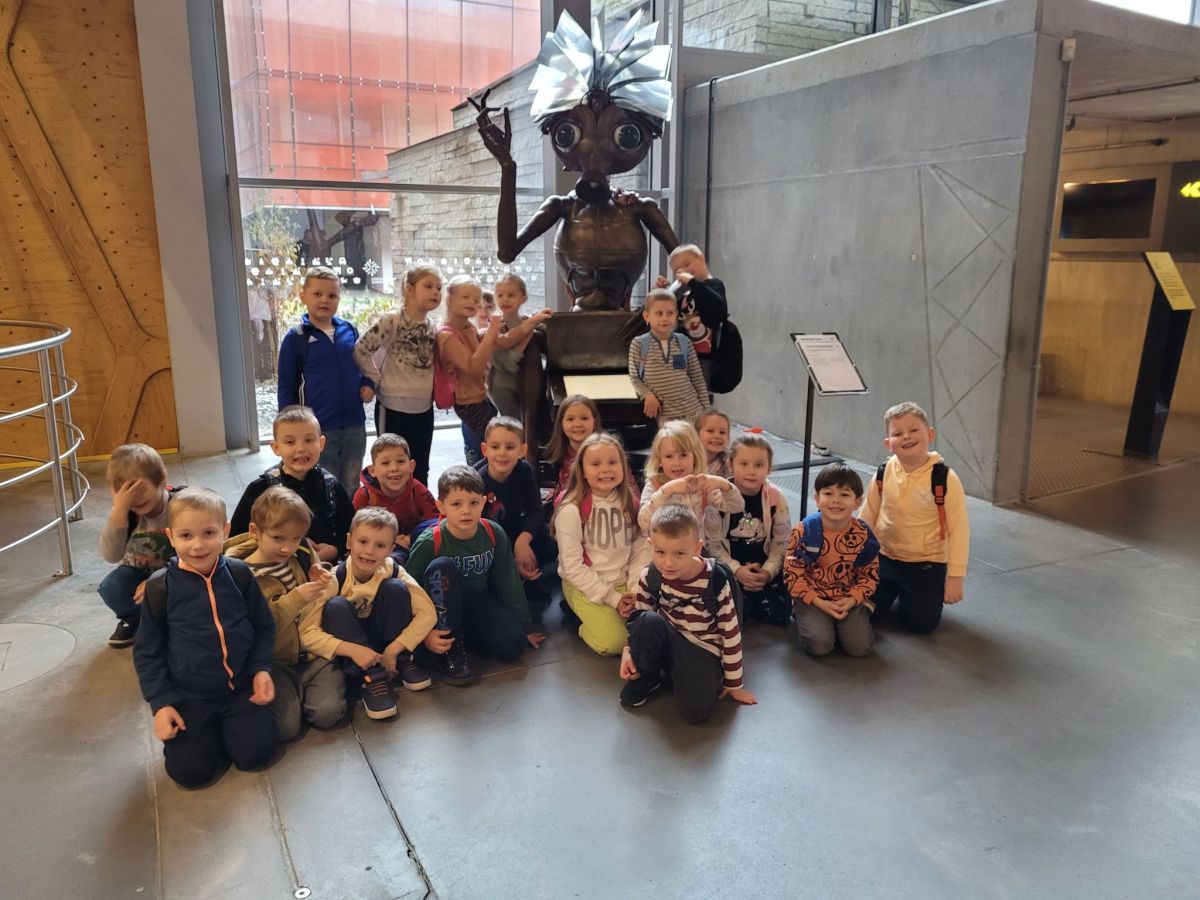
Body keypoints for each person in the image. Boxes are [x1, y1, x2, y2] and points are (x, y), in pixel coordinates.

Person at [133, 488, 278, 788]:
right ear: (171, 537)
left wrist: (261, 668)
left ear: (225, 531)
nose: (198, 545)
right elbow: (147, 652)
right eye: (186, 536)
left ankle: (225, 732)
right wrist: (162, 703)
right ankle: (208, 735)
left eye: (209, 533)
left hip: (240, 688)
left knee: (257, 755)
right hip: (189, 694)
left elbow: (263, 626)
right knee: (191, 773)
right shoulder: (161, 588)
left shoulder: (239, 574)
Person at [404, 465, 546, 685]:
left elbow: (508, 581)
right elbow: (409, 588)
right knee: (443, 566)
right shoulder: (430, 541)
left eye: (473, 503)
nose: (466, 511)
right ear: (441, 506)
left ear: (483, 502)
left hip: (478, 600)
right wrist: (424, 632)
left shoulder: (493, 532)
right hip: (440, 610)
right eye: (456, 504)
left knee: (513, 646)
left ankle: (464, 638)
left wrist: (525, 626)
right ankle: (450, 650)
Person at [223, 487, 343, 739]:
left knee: (327, 714)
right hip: (275, 662)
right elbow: (254, 628)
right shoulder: (241, 575)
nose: (287, 547)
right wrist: (294, 600)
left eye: (296, 538)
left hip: (315, 655)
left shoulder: (301, 552)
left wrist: (319, 571)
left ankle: (309, 693)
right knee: (286, 729)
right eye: (278, 538)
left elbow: (320, 576)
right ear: (254, 531)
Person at [618, 506, 756, 723]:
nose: (668, 563)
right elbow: (639, 619)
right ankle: (649, 676)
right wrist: (630, 650)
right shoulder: (651, 575)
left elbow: (730, 632)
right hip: (668, 640)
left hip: (702, 650)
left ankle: (684, 677)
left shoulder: (715, 580)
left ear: (697, 549)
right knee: (645, 619)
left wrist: (733, 682)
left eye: (680, 553)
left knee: (695, 713)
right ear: (651, 545)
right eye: (660, 552)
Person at [299, 508, 438, 721]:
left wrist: (395, 648)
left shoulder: (393, 570)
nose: (370, 551)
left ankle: (400, 661)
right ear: (349, 541)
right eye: (363, 542)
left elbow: (427, 613)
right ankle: (371, 678)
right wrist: (353, 650)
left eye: (380, 545)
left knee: (395, 588)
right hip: (353, 651)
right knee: (335, 606)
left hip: (386, 644)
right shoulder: (334, 579)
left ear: (391, 549)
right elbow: (307, 633)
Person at [859, 402, 970, 634]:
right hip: (884, 559)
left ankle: (916, 597)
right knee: (867, 611)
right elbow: (868, 514)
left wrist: (955, 577)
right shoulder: (883, 472)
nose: (906, 436)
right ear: (888, 443)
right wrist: (857, 555)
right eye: (898, 433)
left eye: (913, 430)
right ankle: (893, 591)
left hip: (925, 565)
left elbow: (959, 530)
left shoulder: (945, 479)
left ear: (930, 434)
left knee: (921, 625)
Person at [277, 266, 374, 497]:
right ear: (303, 296)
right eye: (318, 294)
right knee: (324, 483)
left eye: (332, 295)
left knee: (351, 482)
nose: (325, 300)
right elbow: (286, 384)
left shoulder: (349, 330)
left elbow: (364, 364)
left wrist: (368, 383)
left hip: (354, 423)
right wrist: (288, 426)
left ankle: (349, 519)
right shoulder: (296, 338)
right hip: (320, 427)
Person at [553, 432, 649, 656]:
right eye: (596, 464)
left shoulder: (630, 502)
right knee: (616, 643)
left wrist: (635, 590)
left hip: (624, 582)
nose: (606, 469)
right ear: (582, 471)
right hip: (584, 585)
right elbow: (572, 566)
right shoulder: (571, 509)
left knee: (653, 628)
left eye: (613, 462)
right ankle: (579, 621)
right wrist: (613, 598)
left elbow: (641, 549)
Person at [353, 265, 442, 486]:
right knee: (390, 469)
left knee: (420, 468)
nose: (436, 292)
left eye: (439, 288)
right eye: (428, 286)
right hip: (393, 408)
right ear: (409, 289)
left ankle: (419, 508)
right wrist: (377, 380)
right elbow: (361, 350)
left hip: (424, 409)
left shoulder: (433, 326)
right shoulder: (391, 320)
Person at [231, 405, 354, 563]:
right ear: (276, 448)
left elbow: (351, 529)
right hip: (277, 568)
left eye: (309, 440)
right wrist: (290, 545)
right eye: (290, 442)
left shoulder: (332, 485)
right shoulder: (260, 489)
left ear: (321, 443)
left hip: (325, 566)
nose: (301, 448)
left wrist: (336, 549)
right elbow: (238, 538)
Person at [784, 464, 880, 656]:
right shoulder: (803, 532)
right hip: (813, 597)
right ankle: (801, 611)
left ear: (858, 502)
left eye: (844, 494)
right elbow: (792, 575)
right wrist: (818, 602)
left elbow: (869, 576)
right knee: (820, 646)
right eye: (828, 493)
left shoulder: (863, 535)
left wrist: (853, 599)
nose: (836, 500)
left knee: (860, 648)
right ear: (817, 499)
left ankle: (860, 610)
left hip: (847, 597)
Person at [96, 444, 177, 648]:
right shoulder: (126, 514)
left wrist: (160, 579)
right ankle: (136, 619)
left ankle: (174, 621)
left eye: (139, 489)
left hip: (178, 575)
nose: (136, 498)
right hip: (138, 576)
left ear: (162, 480)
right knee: (112, 586)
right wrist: (119, 511)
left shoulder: (179, 508)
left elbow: (199, 556)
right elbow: (111, 555)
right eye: (127, 492)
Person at [710, 434, 793, 627]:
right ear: (731, 465)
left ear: (769, 468)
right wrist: (737, 570)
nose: (751, 471)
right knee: (737, 617)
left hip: (763, 566)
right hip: (730, 568)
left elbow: (782, 541)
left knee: (779, 615)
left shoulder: (776, 499)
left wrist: (768, 571)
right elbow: (712, 543)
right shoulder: (717, 498)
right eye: (744, 464)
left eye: (759, 465)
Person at [474, 416, 557, 603]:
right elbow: (476, 531)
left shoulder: (524, 470)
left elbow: (535, 510)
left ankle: (527, 576)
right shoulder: (477, 482)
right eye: (495, 447)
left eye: (510, 447)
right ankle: (514, 578)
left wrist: (523, 541)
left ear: (522, 450)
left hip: (514, 530)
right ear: (484, 450)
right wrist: (508, 559)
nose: (502, 453)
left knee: (548, 540)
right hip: (488, 541)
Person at [636, 420, 742, 540]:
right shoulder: (654, 485)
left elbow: (736, 507)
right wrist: (665, 491)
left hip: (694, 548)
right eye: (669, 456)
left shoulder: (701, 484)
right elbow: (643, 522)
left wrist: (725, 485)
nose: (676, 463)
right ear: (659, 460)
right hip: (663, 549)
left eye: (683, 455)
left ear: (695, 456)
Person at [436, 274, 501, 467]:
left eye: (476, 299)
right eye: (466, 297)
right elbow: (473, 368)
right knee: (484, 452)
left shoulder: (468, 327)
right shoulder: (446, 336)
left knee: (484, 447)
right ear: (450, 299)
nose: (473, 303)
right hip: (467, 401)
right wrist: (490, 334)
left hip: (482, 395)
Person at [352, 433, 438, 564]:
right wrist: (390, 541)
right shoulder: (364, 496)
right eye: (385, 463)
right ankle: (393, 566)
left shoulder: (417, 490)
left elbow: (436, 520)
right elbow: (357, 533)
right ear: (373, 470)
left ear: (411, 466)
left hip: (414, 543)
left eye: (401, 461)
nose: (394, 468)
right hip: (379, 548)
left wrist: (410, 538)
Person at [629, 288, 709, 424]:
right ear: (647, 316)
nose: (665, 318)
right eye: (659, 313)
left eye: (670, 313)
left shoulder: (685, 342)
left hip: (693, 412)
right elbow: (634, 378)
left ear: (676, 314)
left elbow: (697, 379)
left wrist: (706, 412)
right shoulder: (639, 344)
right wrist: (647, 395)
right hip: (665, 416)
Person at [655, 243, 727, 386]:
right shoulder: (684, 293)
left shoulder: (714, 285)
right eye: (678, 271)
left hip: (703, 355)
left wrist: (693, 282)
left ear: (701, 257)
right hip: (680, 352)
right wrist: (660, 292)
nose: (684, 271)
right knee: (676, 386)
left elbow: (718, 305)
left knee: (698, 390)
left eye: (687, 264)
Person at [487, 274, 553, 419]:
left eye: (511, 295)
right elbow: (508, 364)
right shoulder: (494, 327)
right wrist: (528, 334)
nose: (505, 299)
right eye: (500, 295)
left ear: (523, 297)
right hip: (502, 388)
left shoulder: (527, 321)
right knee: (513, 424)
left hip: (523, 386)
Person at [545, 394, 603, 503]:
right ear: (561, 423)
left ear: (594, 422)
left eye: (584, 418)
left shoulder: (609, 451)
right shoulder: (557, 454)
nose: (577, 424)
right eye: (570, 419)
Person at [695, 408, 732, 478]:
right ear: (696, 434)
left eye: (722, 432)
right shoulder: (685, 459)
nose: (717, 436)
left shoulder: (729, 464)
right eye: (710, 431)